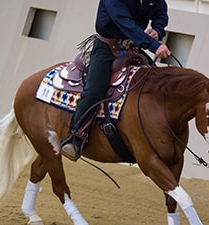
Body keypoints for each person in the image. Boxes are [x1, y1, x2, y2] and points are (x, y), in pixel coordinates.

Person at [61, 0, 172, 161]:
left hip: (132, 47)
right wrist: (154, 45)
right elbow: (124, 22)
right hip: (107, 48)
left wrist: (157, 29)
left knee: (157, 86)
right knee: (94, 90)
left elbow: (161, 10)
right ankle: (75, 137)